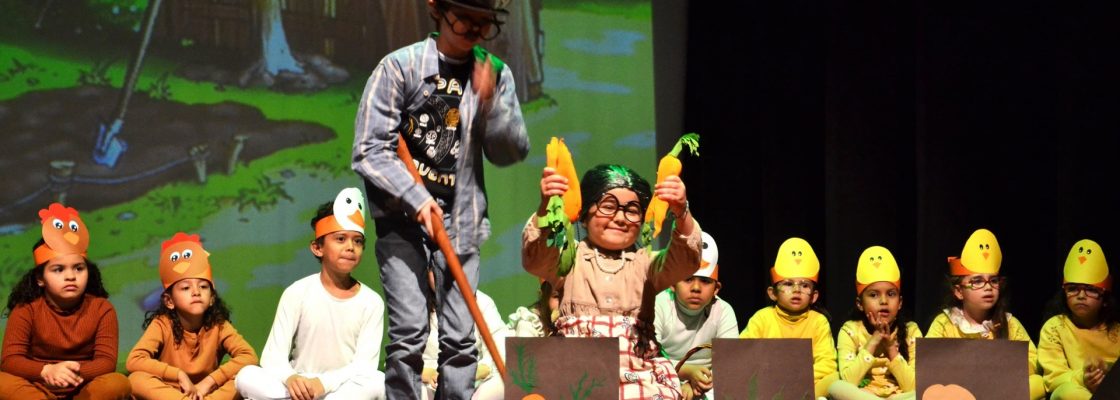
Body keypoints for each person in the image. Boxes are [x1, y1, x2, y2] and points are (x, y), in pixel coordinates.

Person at [351, 0, 529, 397]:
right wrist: (417, 199)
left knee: (462, 337)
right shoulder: (400, 67)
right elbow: (368, 149)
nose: (474, 30)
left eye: (485, 23)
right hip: (402, 218)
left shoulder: (494, 74)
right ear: (437, 8)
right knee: (410, 332)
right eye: (465, 17)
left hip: (462, 219)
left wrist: (489, 106)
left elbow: (510, 150)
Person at [524, 163, 701, 399]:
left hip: (636, 376)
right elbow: (534, 258)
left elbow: (686, 260)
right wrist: (546, 207)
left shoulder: (646, 264)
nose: (620, 217)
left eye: (632, 210)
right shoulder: (570, 259)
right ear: (585, 214)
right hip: (576, 376)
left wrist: (681, 212)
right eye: (608, 206)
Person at [235, 188, 385, 400]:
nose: (350, 247)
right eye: (340, 239)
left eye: (357, 241)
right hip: (299, 388)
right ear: (317, 248)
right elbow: (272, 356)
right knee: (246, 375)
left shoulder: (371, 302)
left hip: (340, 390)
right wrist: (291, 378)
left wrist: (323, 384)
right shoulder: (297, 292)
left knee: (377, 381)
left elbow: (364, 366)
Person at [0, 203, 131, 399]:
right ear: (40, 279)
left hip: (82, 388)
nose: (71, 276)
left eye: (78, 268)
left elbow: (106, 362)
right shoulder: (26, 309)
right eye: (59, 269)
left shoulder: (102, 308)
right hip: (37, 388)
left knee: (118, 383)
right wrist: (47, 371)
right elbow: (10, 360)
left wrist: (70, 373)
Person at [127, 232, 258, 400]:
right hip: (172, 393)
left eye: (203, 287)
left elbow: (249, 356)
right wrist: (178, 375)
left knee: (247, 376)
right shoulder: (162, 324)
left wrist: (209, 382)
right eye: (186, 288)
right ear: (169, 301)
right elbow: (134, 360)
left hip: (206, 394)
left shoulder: (219, 325)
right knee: (136, 380)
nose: (196, 292)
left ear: (212, 298)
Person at [925, 228, 1045, 400]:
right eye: (977, 281)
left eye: (993, 281)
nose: (988, 287)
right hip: (960, 389)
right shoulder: (945, 322)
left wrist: (1004, 370)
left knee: (1037, 383)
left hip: (1002, 387)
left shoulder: (1009, 322)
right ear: (959, 291)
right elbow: (930, 361)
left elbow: (1032, 359)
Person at [739, 237, 838, 398]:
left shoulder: (819, 321)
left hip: (806, 385)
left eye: (805, 285)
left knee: (834, 380)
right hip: (770, 385)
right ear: (772, 293)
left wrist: (797, 378)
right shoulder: (762, 318)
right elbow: (743, 354)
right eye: (788, 284)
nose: (797, 290)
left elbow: (827, 364)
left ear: (814, 296)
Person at [653, 232, 739, 400]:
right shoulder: (659, 304)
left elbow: (729, 363)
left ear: (716, 289)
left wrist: (697, 384)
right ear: (672, 283)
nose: (696, 288)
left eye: (705, 281)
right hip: (662, 377)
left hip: (708, 383)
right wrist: (684, 374)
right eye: (688, 279)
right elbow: (648, 358)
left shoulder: (723, 310)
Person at [829, 246, 921, 400]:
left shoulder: (911, 331)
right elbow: (848, 380)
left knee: (926, 392)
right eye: (873, 295)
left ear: (900, 302)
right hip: (864, 395)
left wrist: (891, 348)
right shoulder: (850, 329)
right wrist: (874, 341)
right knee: (836, 387)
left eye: (891, 294)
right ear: (860, 303)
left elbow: (913, 385)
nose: (884, 301)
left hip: (900, 397)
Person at [1038, 239, 1118, 400]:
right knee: (1067, 392)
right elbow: (1053, 379)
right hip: (1075, 394)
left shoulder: (1116, 331)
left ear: (1104, 297)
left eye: (1090, 290)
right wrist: (1083, 379)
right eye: (1073, 289)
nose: (1081, 296)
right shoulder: (1055, 327)